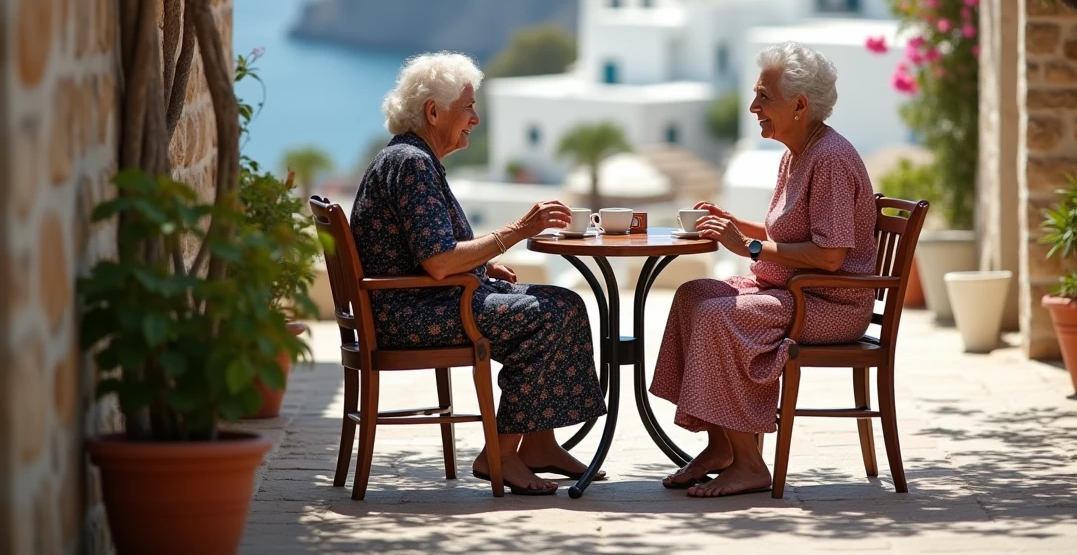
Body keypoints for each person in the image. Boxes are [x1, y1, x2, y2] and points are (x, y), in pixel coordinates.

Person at [351, 52, 606, 495]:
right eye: (467, 107)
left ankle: (539, 446)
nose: (475, 117)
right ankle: (499, 456)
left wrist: (484, 265)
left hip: (415, 303)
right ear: (433, 111)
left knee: (564, 302)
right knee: (549, 315)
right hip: (410, 313)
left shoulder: (407, 158)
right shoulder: (412, 164)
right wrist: (517, 231)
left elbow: (427, 250)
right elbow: (438, 260)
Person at [650, 42, 878, 498]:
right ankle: (721, 447)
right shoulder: (797, 152)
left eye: (763, 97)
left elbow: (831, 257)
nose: (754, 107)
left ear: (799, 105)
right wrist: (732, 225)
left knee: (721, 317)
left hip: (828, 302)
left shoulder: (829, 158)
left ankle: (751, 465)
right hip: (795, 292)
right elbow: (793, 233)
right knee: (694, 295)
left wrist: (749, 246)